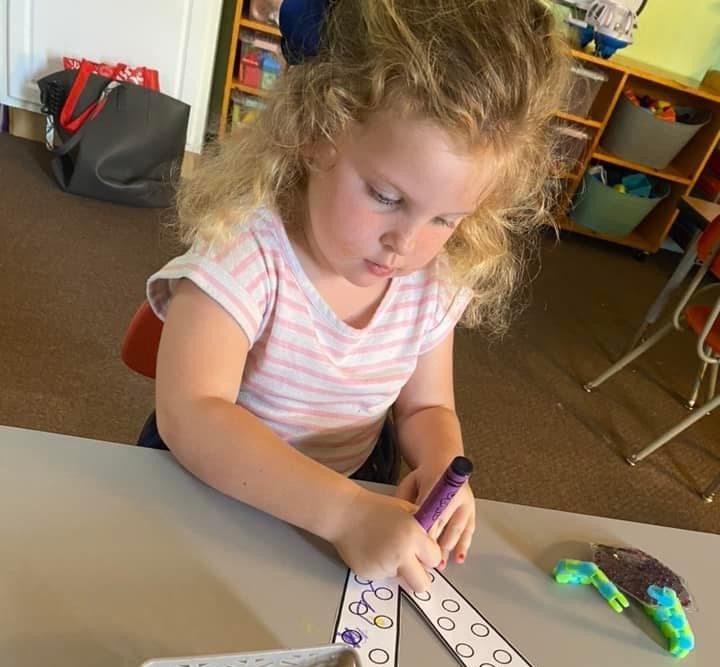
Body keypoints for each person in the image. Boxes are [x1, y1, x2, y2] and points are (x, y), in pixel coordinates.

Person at [141, 0, 568, 591]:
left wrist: (440, 462)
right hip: (216, 489)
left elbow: (426, 408)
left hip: (356, 495)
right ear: (315, 134)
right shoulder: (244, 251)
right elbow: (192, 414)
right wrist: (344, 514)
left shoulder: (434, 276)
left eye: (445, 219)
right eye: (387, 198)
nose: (406, 244)